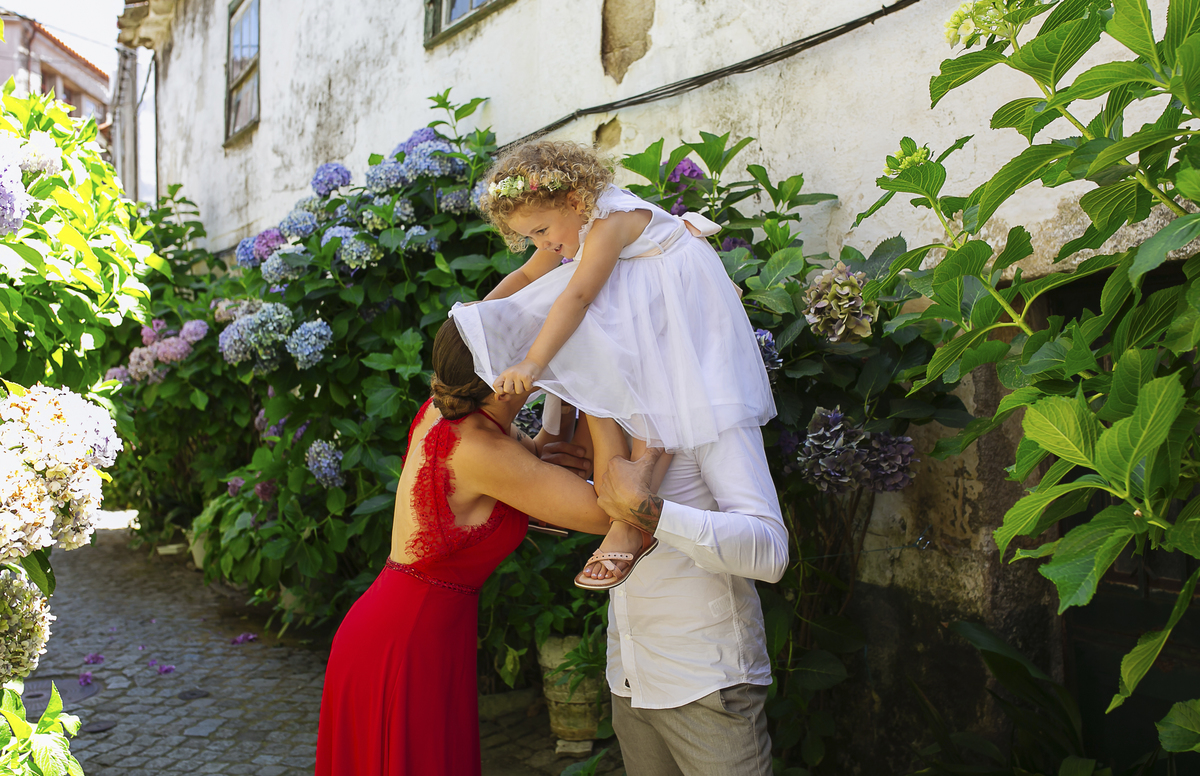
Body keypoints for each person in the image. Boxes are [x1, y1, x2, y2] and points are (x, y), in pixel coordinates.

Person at [314, 318, 643, 776]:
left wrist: (543, 445)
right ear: (506, 374)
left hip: (398, 630)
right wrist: (596, 388)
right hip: (409, 645)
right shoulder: (485, 450)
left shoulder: (446, 413)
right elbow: (614, 510)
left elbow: (487, 325)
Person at [450, 139, 775, 589]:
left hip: (681, 307)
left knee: (622, 367)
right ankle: (594, 480)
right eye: (531, 238)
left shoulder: (610, 219)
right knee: (588, 352)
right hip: (646, 302)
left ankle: (631, 517)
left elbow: (580, 296)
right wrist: (482, 315)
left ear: (574, 200)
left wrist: (531, 362)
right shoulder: (566, 219)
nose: (542, 244)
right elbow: (526, 275)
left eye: (542, 231)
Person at [544, 414, 789, 776]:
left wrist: (650, 513)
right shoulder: (598, 407)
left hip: (706, 681)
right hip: (628, 677)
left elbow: (772, 552)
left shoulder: (707, 408)